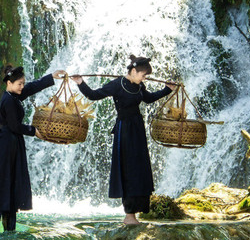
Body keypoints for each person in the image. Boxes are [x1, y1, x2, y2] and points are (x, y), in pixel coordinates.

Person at [71, 55, 174, 225]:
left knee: (140, 169)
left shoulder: (139, 85)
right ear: (133, 71)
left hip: (137, 130)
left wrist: (167, 89)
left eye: (146, 76)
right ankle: (129, 215)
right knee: (129, 170)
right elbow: (93, 95)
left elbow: (147, 99)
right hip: (124, 131)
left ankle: (137, 212)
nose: (144, 78)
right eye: (143, 75)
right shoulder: (117, 85)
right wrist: (80, 82)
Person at [0, 65, 66, 235]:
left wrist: (51, 77)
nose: (22, 87)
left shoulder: (15, 95)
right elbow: (14, 126)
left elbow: (32, 87)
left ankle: (9, 228)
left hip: (13, 143)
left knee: (12, 182)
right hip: (7, 143)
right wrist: (34, 131)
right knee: (1, 182)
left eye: (22, 83)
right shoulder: (8, 100)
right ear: (9, 83)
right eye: (19, 84)